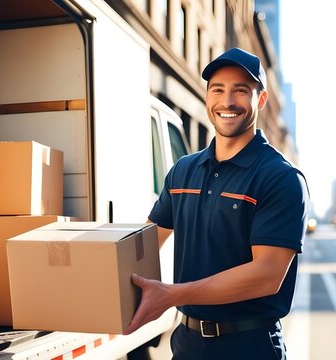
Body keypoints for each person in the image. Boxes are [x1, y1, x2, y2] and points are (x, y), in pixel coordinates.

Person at [123, 47, 309, 359]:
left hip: (249, 346)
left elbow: (267, 275)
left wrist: (170, 295)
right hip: (187, 343)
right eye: (217, 90)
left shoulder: (281, 178)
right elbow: (143, 243)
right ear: (207, 96)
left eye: (241, 90)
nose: (227, 102)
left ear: (260, 100)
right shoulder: (183, 170)